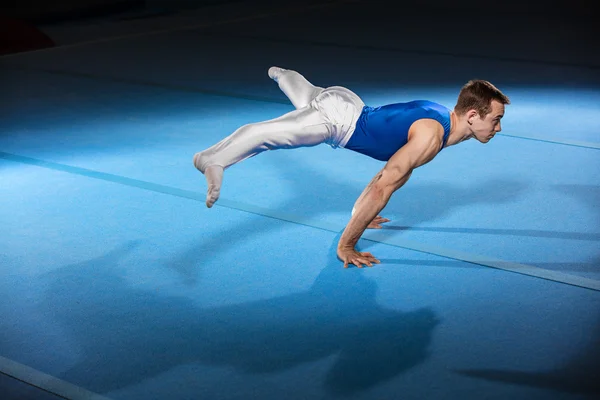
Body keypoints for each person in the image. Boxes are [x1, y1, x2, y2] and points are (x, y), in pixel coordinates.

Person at [193, 67, 510, 268]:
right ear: (471, 116)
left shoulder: (440, 116)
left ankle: (281, 74)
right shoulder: (430, 137)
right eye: (495, 120)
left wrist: (363, 211)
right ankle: (211, 159)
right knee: (267, 134)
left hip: (348, 102)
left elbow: (391, 170)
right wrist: (347, 244)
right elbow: (383, 185)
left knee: (307, 96)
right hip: (335, 121)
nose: (497, 129)